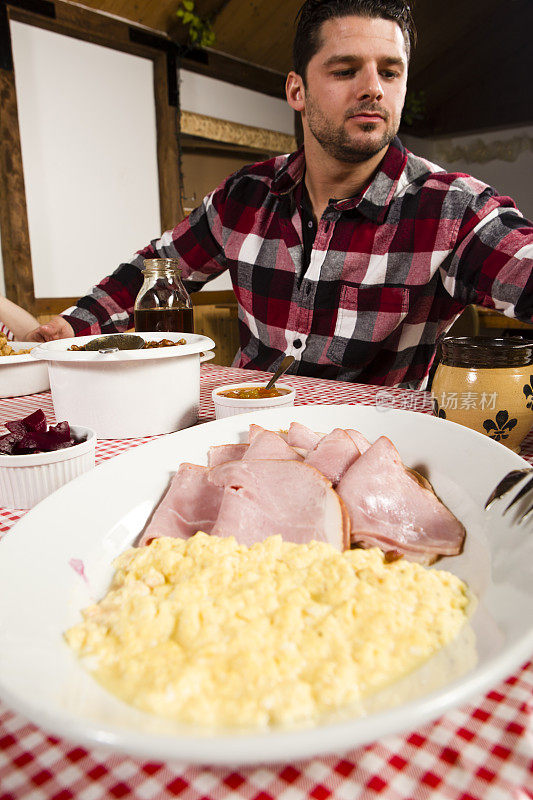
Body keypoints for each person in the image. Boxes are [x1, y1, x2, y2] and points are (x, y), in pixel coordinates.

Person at [26, 0, 533, 389]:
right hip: (246, 433)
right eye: (344, 70)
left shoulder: (452, 208)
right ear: (296, 91)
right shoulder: (244, 196)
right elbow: (155, 269)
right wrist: (72, 327)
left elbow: (522, 262)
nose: (373, 87)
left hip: (376, 462)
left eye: (390, 71)